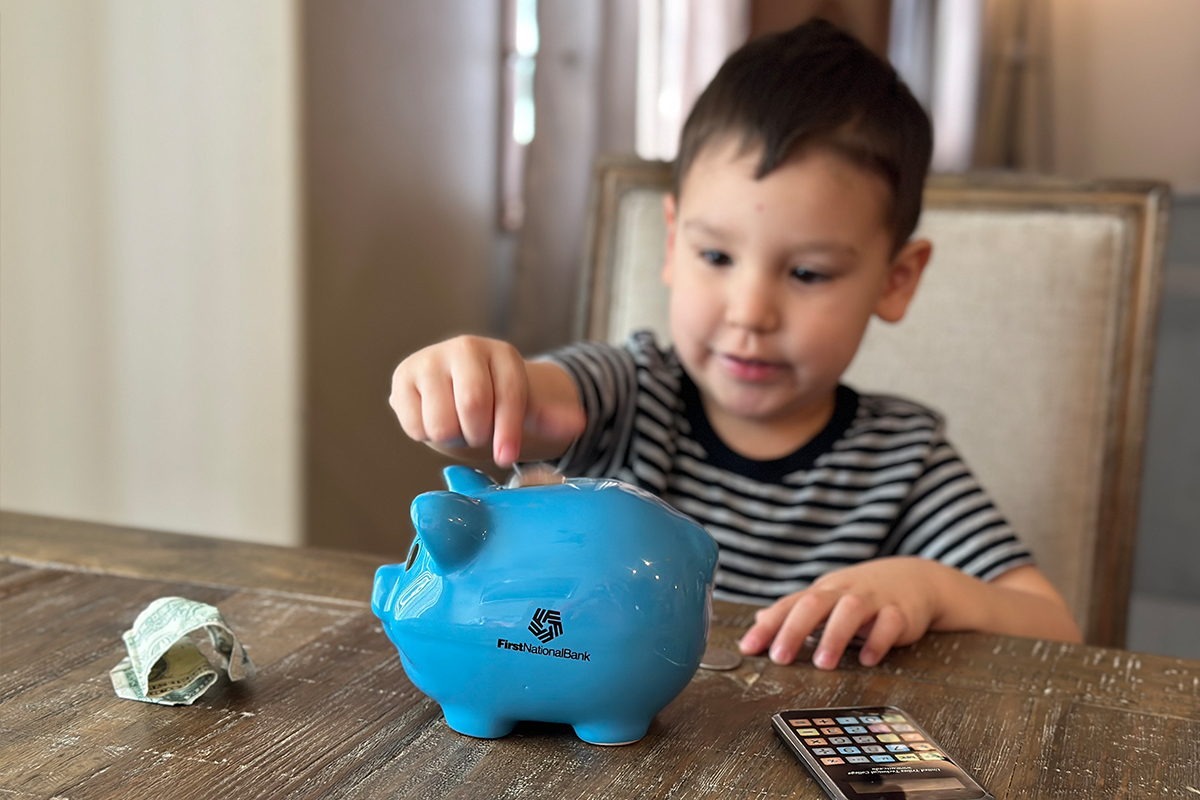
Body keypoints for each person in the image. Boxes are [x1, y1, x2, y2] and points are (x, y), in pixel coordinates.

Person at [388, 20, 1082, 670]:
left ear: (896, 281)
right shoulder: (630, 392)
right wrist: (476, 388)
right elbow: (531, 407)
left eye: (808, 273)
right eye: (716, 257)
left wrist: (928, 587)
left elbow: (1054, 626)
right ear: (671, 242)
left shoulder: (904, 458)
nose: (750, 313)